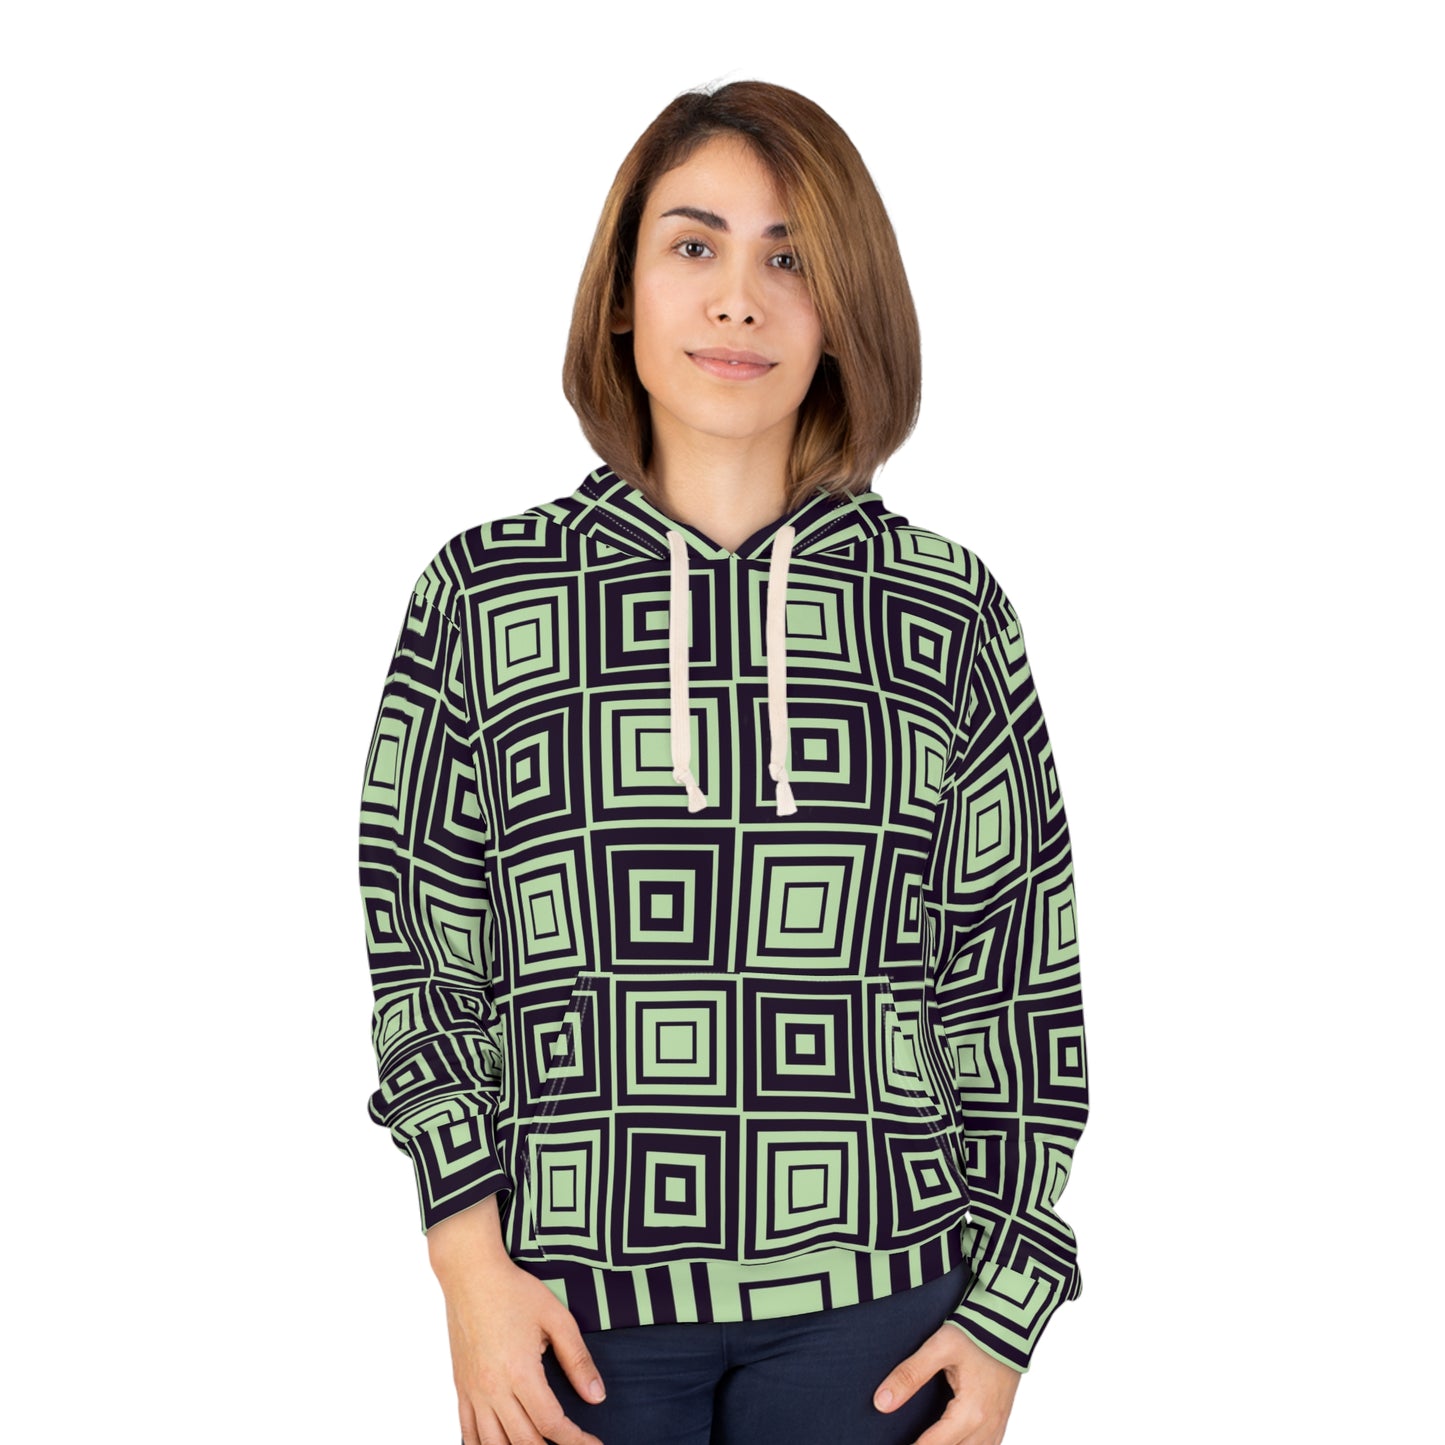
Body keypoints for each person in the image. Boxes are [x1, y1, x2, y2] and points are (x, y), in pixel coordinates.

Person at [358, 79, 1090, 1445]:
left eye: (790, 259)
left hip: (884, 1302)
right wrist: (466, 1263)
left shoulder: (943, 608)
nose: (739, 301)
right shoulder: (486, 595)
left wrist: (1007, 1305)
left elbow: (1012, 977)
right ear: (621, 296)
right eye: (694, 245)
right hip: (567, 1304)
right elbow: (423, 952)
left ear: (845, 311)